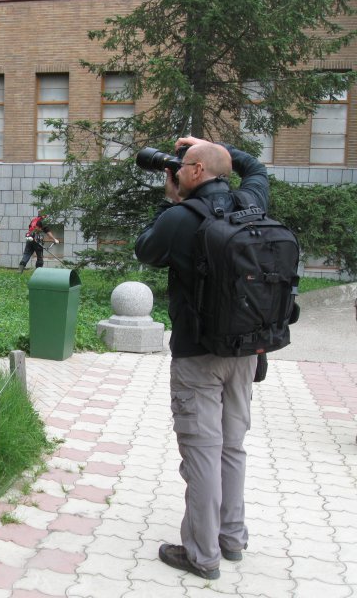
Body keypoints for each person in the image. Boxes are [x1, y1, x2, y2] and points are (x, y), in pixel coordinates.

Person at [134, 136, 269, 580]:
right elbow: (256, 170)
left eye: (183, 164)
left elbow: (145, 249)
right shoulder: (251, 202)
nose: (176, 170)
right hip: (246, 350)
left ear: (194, 172)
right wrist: (212, 146)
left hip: (198, 355)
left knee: (202, 452)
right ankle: (231, 537)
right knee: (232, 446)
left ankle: (201, 555)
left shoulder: (180, 216)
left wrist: (169, 200)